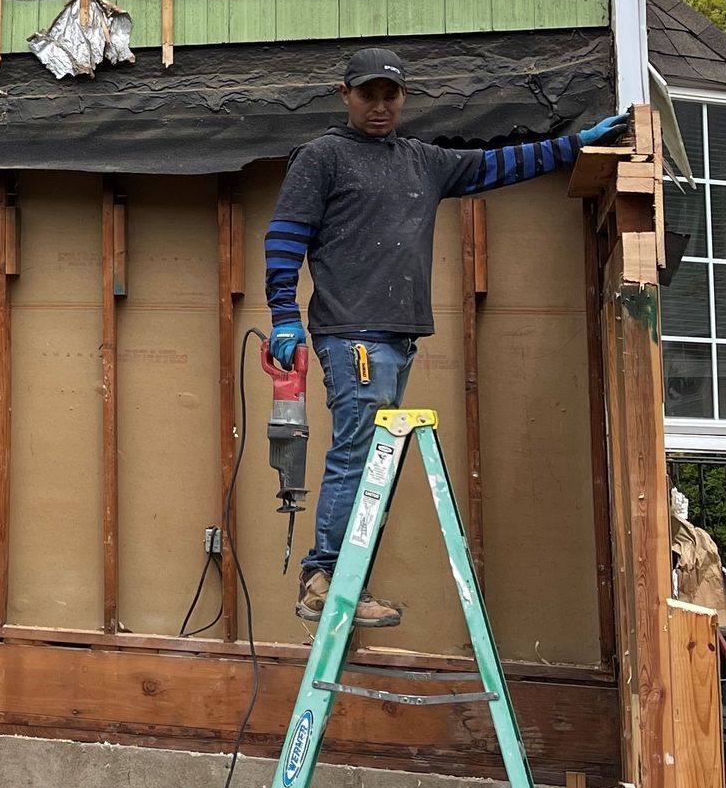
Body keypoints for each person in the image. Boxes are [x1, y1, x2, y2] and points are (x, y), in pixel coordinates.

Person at [265, 47, 625, 627]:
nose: (379, 106)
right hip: (352, 334)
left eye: (390, 95)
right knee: (358, 457)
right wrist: (283, 313)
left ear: (403, 97)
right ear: (345, 95)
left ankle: (343, 583)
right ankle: (324, 581)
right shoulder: (323, 158)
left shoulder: (422, 162)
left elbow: (499, 164)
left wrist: (574, 145)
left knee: (372, 458)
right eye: (367, 94)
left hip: (399, 338)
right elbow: (284, 238)